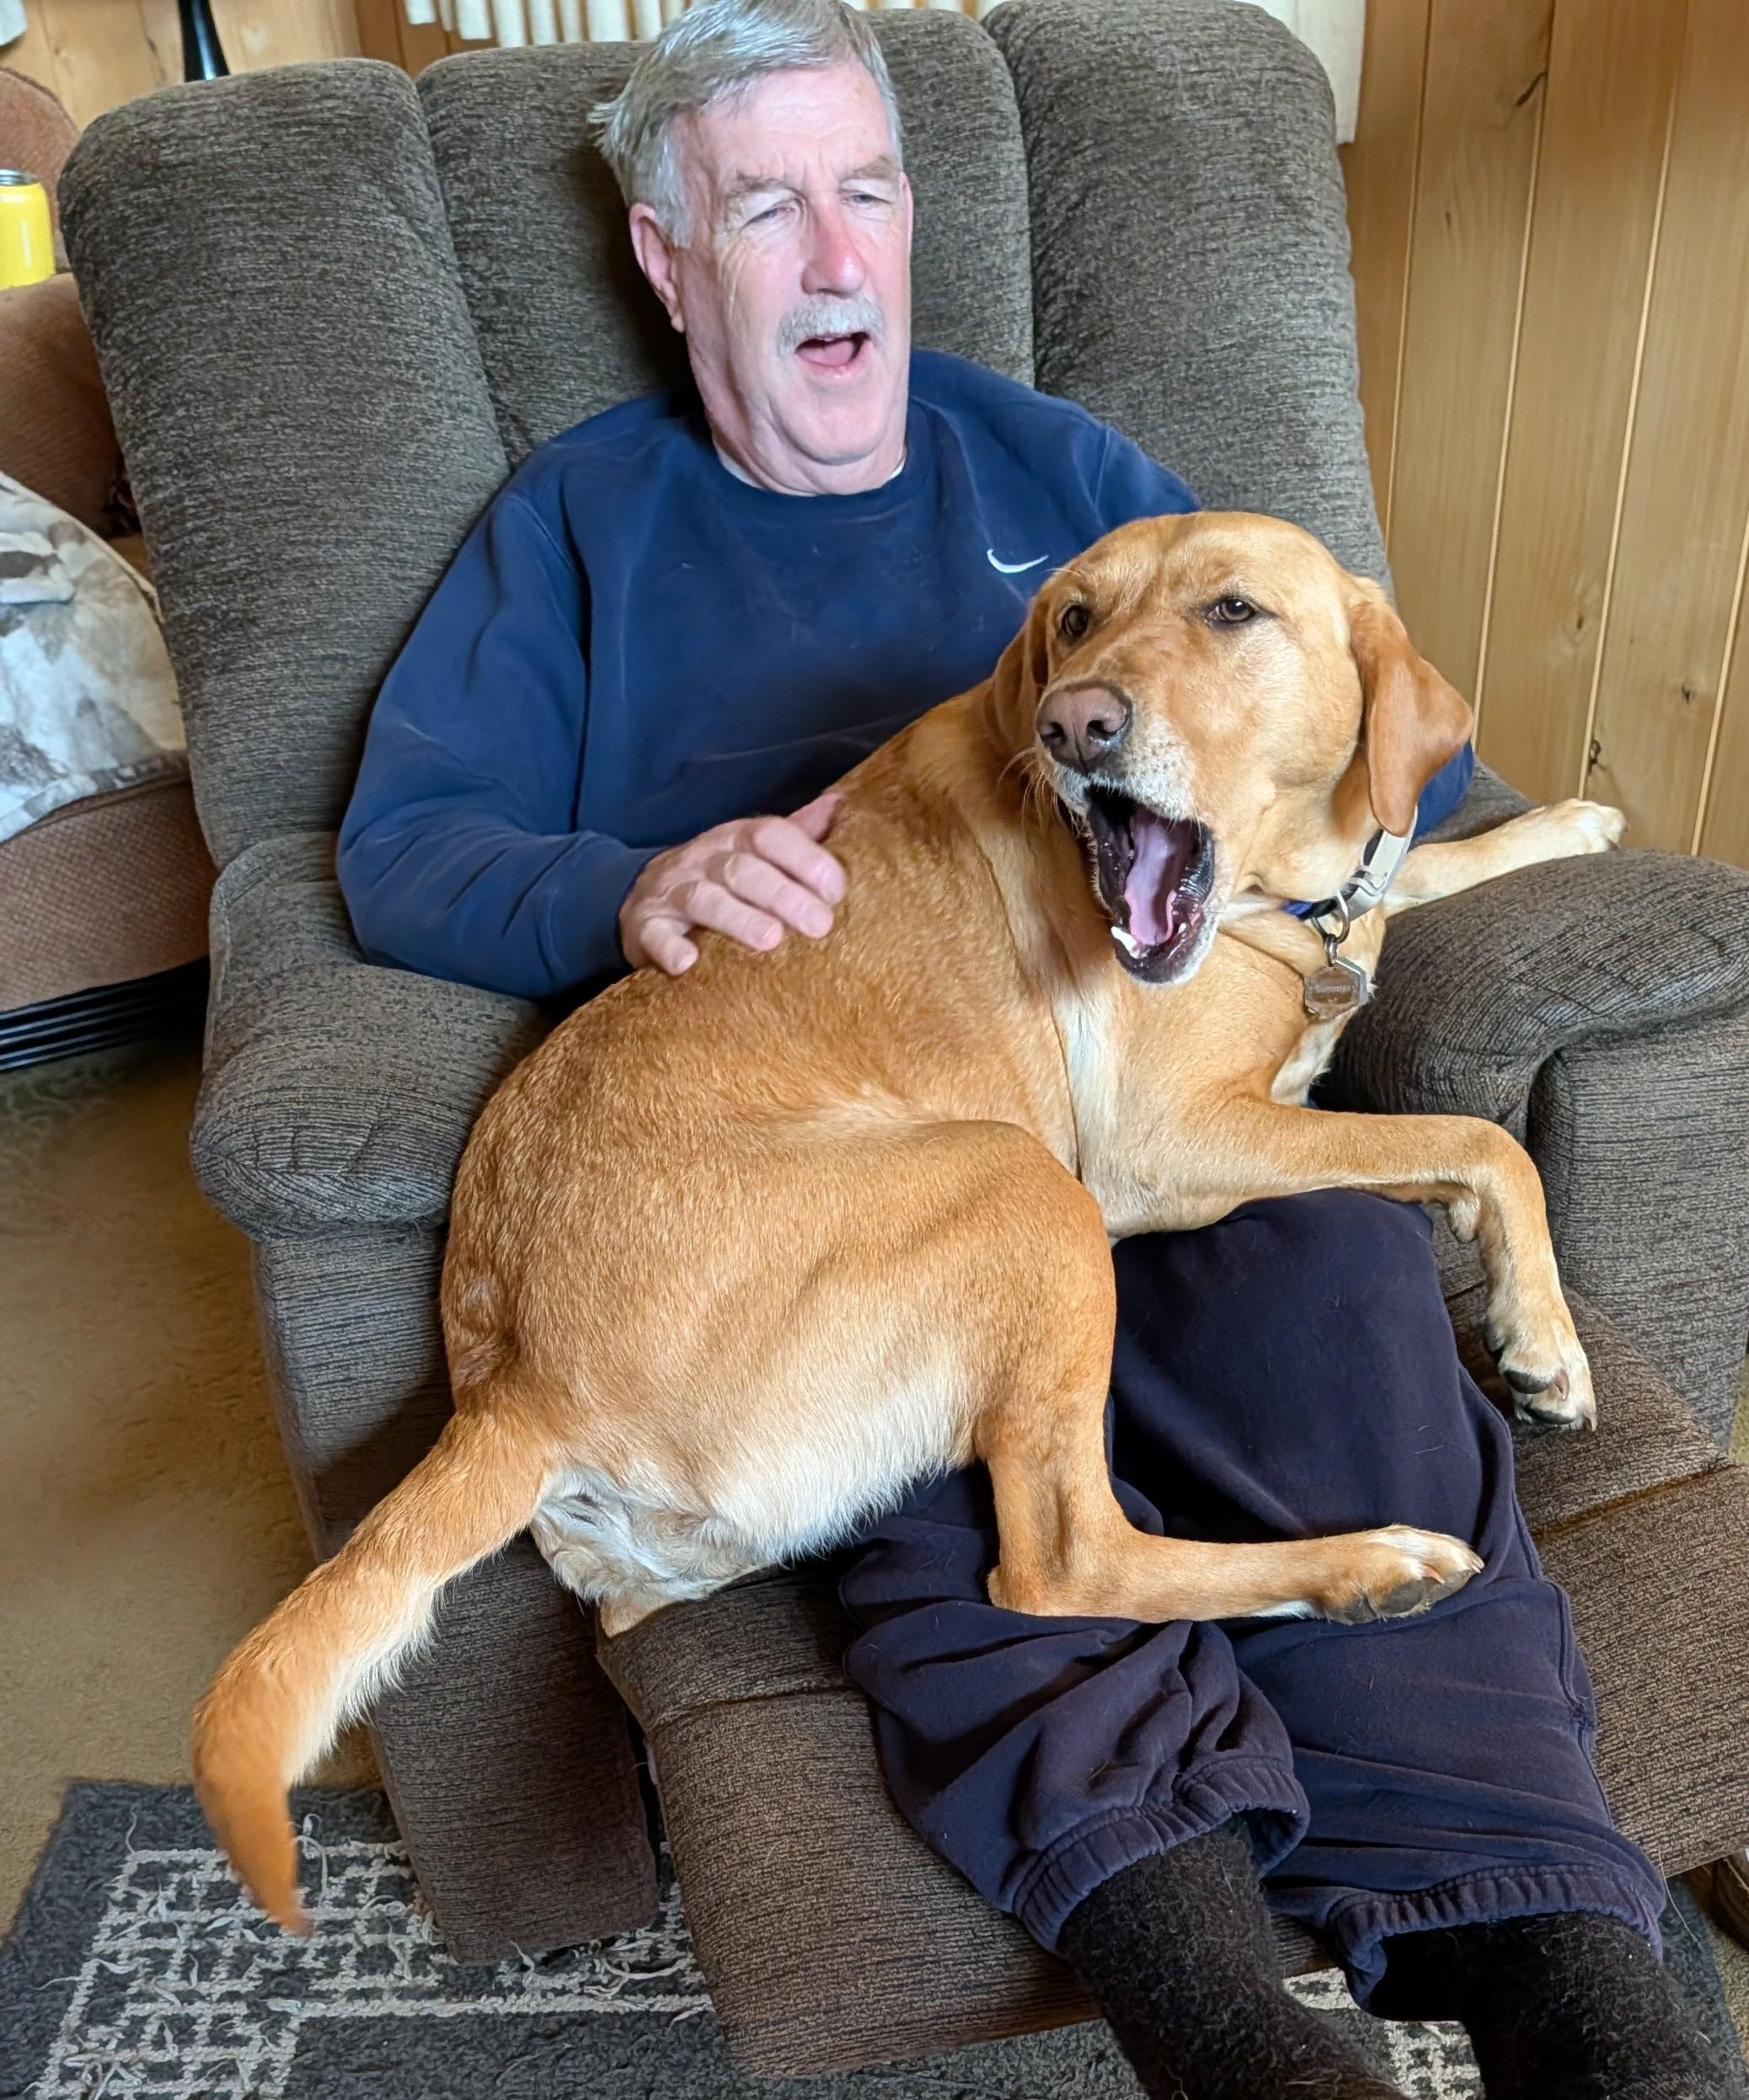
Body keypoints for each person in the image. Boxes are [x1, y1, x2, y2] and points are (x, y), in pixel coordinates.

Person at [336, 4, 1735, 2094]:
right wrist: (627, 889)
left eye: (869, 190)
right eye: (767, 207)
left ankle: (1574, 1988)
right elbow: (395, 848)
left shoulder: (1070, 486)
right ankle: (1228, 2031)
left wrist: (1429, 833)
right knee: (933, 1492)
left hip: (1169, 1096)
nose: (839, 251)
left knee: (1356, 1303)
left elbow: (1336, 716)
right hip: (828, 1142)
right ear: (667, 259)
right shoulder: (579, 525)